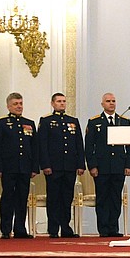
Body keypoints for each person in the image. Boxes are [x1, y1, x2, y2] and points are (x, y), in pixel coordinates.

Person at [85, 93, 130, 237]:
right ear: (102, 104)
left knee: (115, 198)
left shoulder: (123, 121)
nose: (111, 103)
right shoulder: (94, 122)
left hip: (119, 166)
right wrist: (92, 166)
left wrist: (129, 165)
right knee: (102, 198)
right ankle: (103, 229)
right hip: (101, 167)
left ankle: (113, 228)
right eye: (108, 101)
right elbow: (89, 146)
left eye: (113, 101)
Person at [38, 93, 85, 238]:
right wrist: (45, 164)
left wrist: (80, 164)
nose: (62, 104)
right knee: (53, 198)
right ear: (52, 104)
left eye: (64, 101)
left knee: (66, 198)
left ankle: (66, 227)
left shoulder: (73, 121)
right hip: (53, 167)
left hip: (69, 166)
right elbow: (42, 145)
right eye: (59, 101)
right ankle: (53, 228)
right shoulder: (46, 121)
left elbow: (79, 145)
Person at [0, 92, 39, 239]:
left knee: (22, 198)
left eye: (20, 103)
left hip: (24, 167)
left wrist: (34, 167)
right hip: (8, 167)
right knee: (8, 197)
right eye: (15, 104)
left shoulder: (29, 123)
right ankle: (6, 229)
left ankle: (20, 228)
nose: (19, 106)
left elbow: (34, 147)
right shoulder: (1, 123)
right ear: (8, 106)